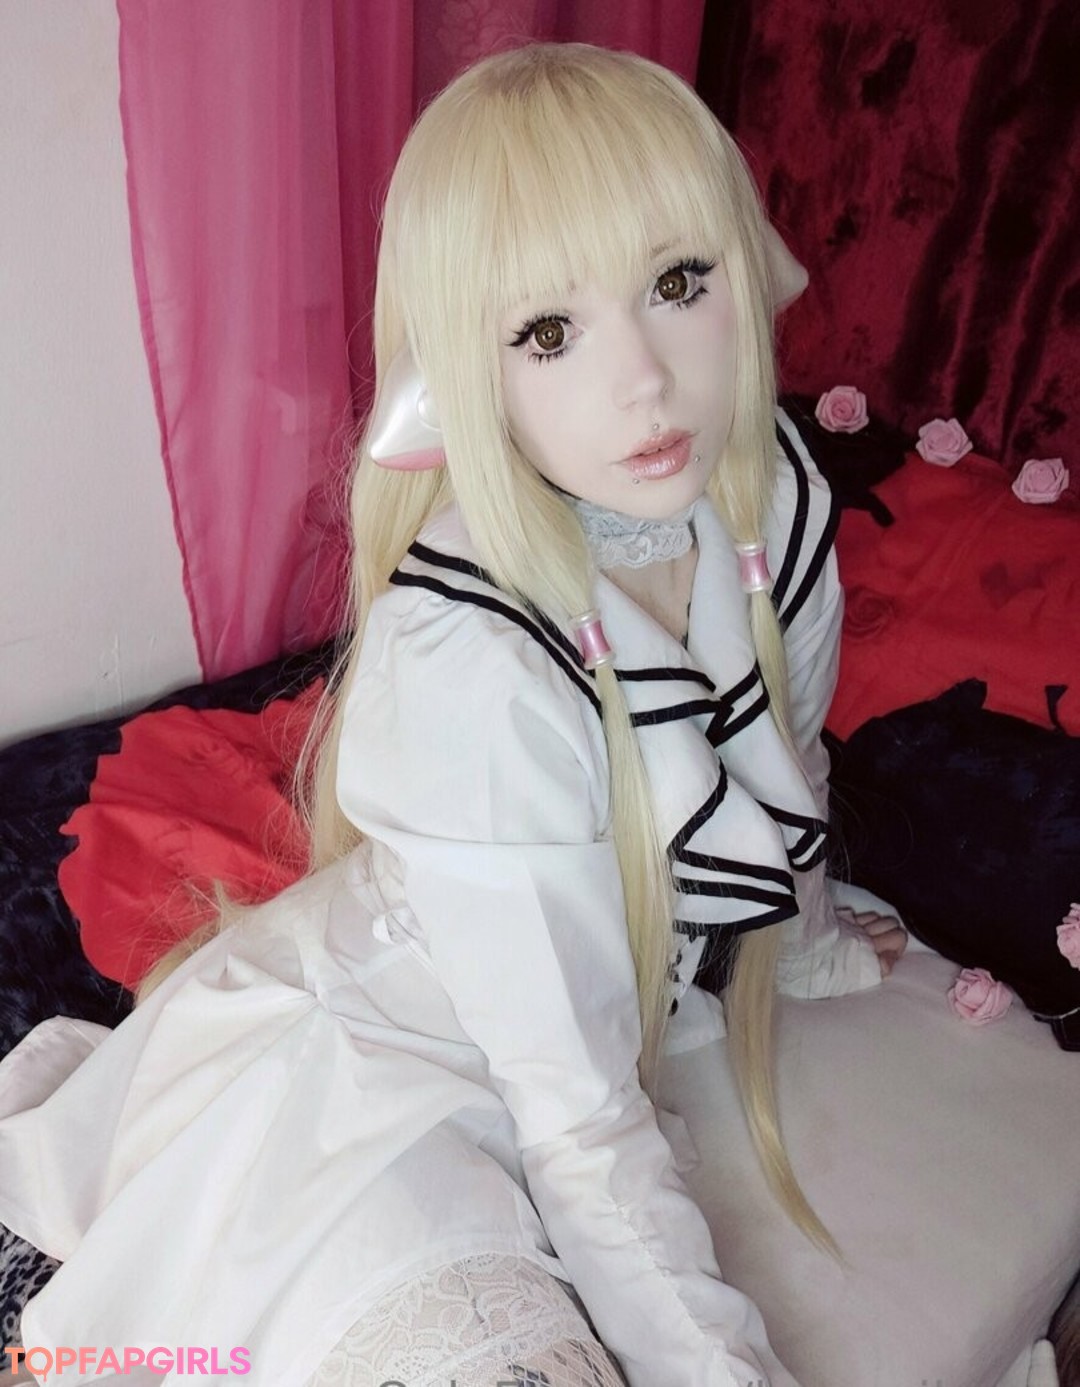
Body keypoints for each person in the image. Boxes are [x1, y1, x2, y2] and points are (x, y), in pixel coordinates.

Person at [0, 42, 907, 1387]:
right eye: (547, 332)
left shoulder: (774, 496)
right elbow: (579, 1125)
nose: (644, 383)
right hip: (381, 1089)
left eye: (677, 282)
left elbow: (790, 755)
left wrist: (810, 940)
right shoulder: (468, 660)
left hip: (590, 1046)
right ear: (468, 371)